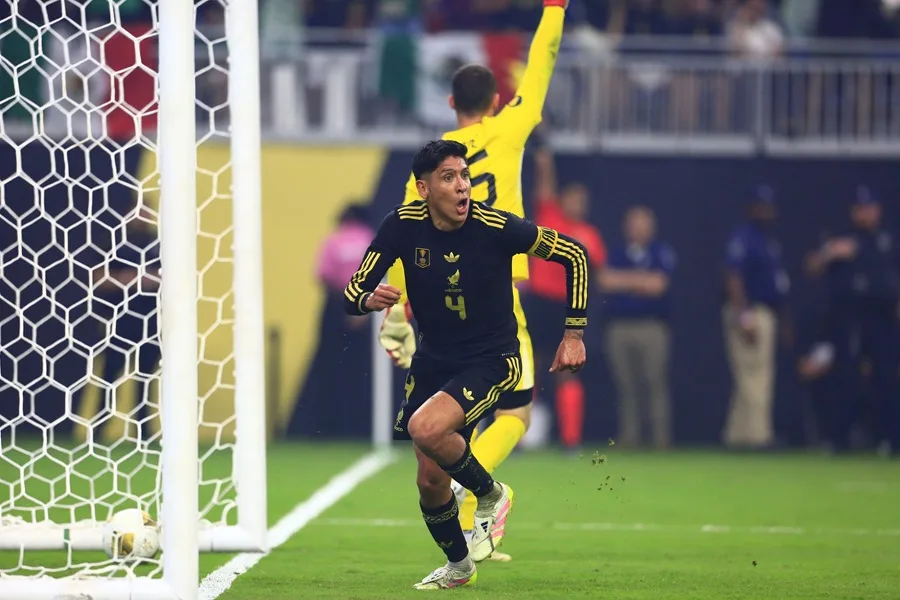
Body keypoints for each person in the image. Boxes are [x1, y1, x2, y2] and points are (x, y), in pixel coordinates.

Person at [344, 140, 589, 589]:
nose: (463, 187)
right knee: (430, 482)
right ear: (424, 188)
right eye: (449, 178)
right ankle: (459, 566)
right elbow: (353, 290)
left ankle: (491, 495)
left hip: (492, 359)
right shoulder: (401, 225)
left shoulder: (495, 226)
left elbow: (574, 254)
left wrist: (573, 334)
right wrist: (365, 298)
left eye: (465, 177)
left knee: (425, 428)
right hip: (434, 360)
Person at [379, 0, 571, 557]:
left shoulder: (432, 163)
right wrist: (554, 9)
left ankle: (465, 509)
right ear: (493, 101)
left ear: (449, 103)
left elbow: (401, 238)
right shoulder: (509, 129)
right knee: (514, 411)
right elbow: (542, 61)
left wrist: (394, 315)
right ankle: (477, 503)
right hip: (494, 294)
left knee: (447, 416)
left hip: (434, 301)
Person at [804, 187, 899, 456]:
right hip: (848, 318)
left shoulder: (887, 241)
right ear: (853, 212)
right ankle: (838, 439)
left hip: (882, 318)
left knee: (885, 381)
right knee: (845, 378)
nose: (866, 214)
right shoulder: (841, 239)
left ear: (878, 211)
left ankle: (888, 440)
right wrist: (828, 253)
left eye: (870, 208)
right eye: (860, 209)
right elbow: (811, 268)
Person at [527, 142, 606, 453]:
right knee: (528, 369)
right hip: (539, 303)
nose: (579, 203)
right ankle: (520, 435)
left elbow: (599, 276)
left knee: (568, 373)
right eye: (573, 198)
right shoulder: (550, 216)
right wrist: (544, 158)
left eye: (583, 200)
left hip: (567, 309)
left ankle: (570, 442)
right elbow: (545, 183)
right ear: (563, 200)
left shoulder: (590, 235)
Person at [600, 206, 676, 450]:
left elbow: (658, 285)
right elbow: (605, 280)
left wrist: (624, 280)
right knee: (626, 385)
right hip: (620, 327)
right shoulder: (616, 252)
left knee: (654, 382)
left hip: (651, 327)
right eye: (634, 223)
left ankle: (660, 438)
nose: (638, 229)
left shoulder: (661, 252)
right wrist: (640, 279)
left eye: (643, 223)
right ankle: (630, 437)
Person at [722, 185, 790, 450]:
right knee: (755, 376)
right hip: (750, 311)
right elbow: (733, 276)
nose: (766, 210)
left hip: (766, 311)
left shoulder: (768, 238)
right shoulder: (745, 236)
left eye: (769, 205)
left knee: (749, 376)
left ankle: (738, 435)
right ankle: (759, 436)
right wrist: (744, 315)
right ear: (751, 208)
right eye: (761, 205)